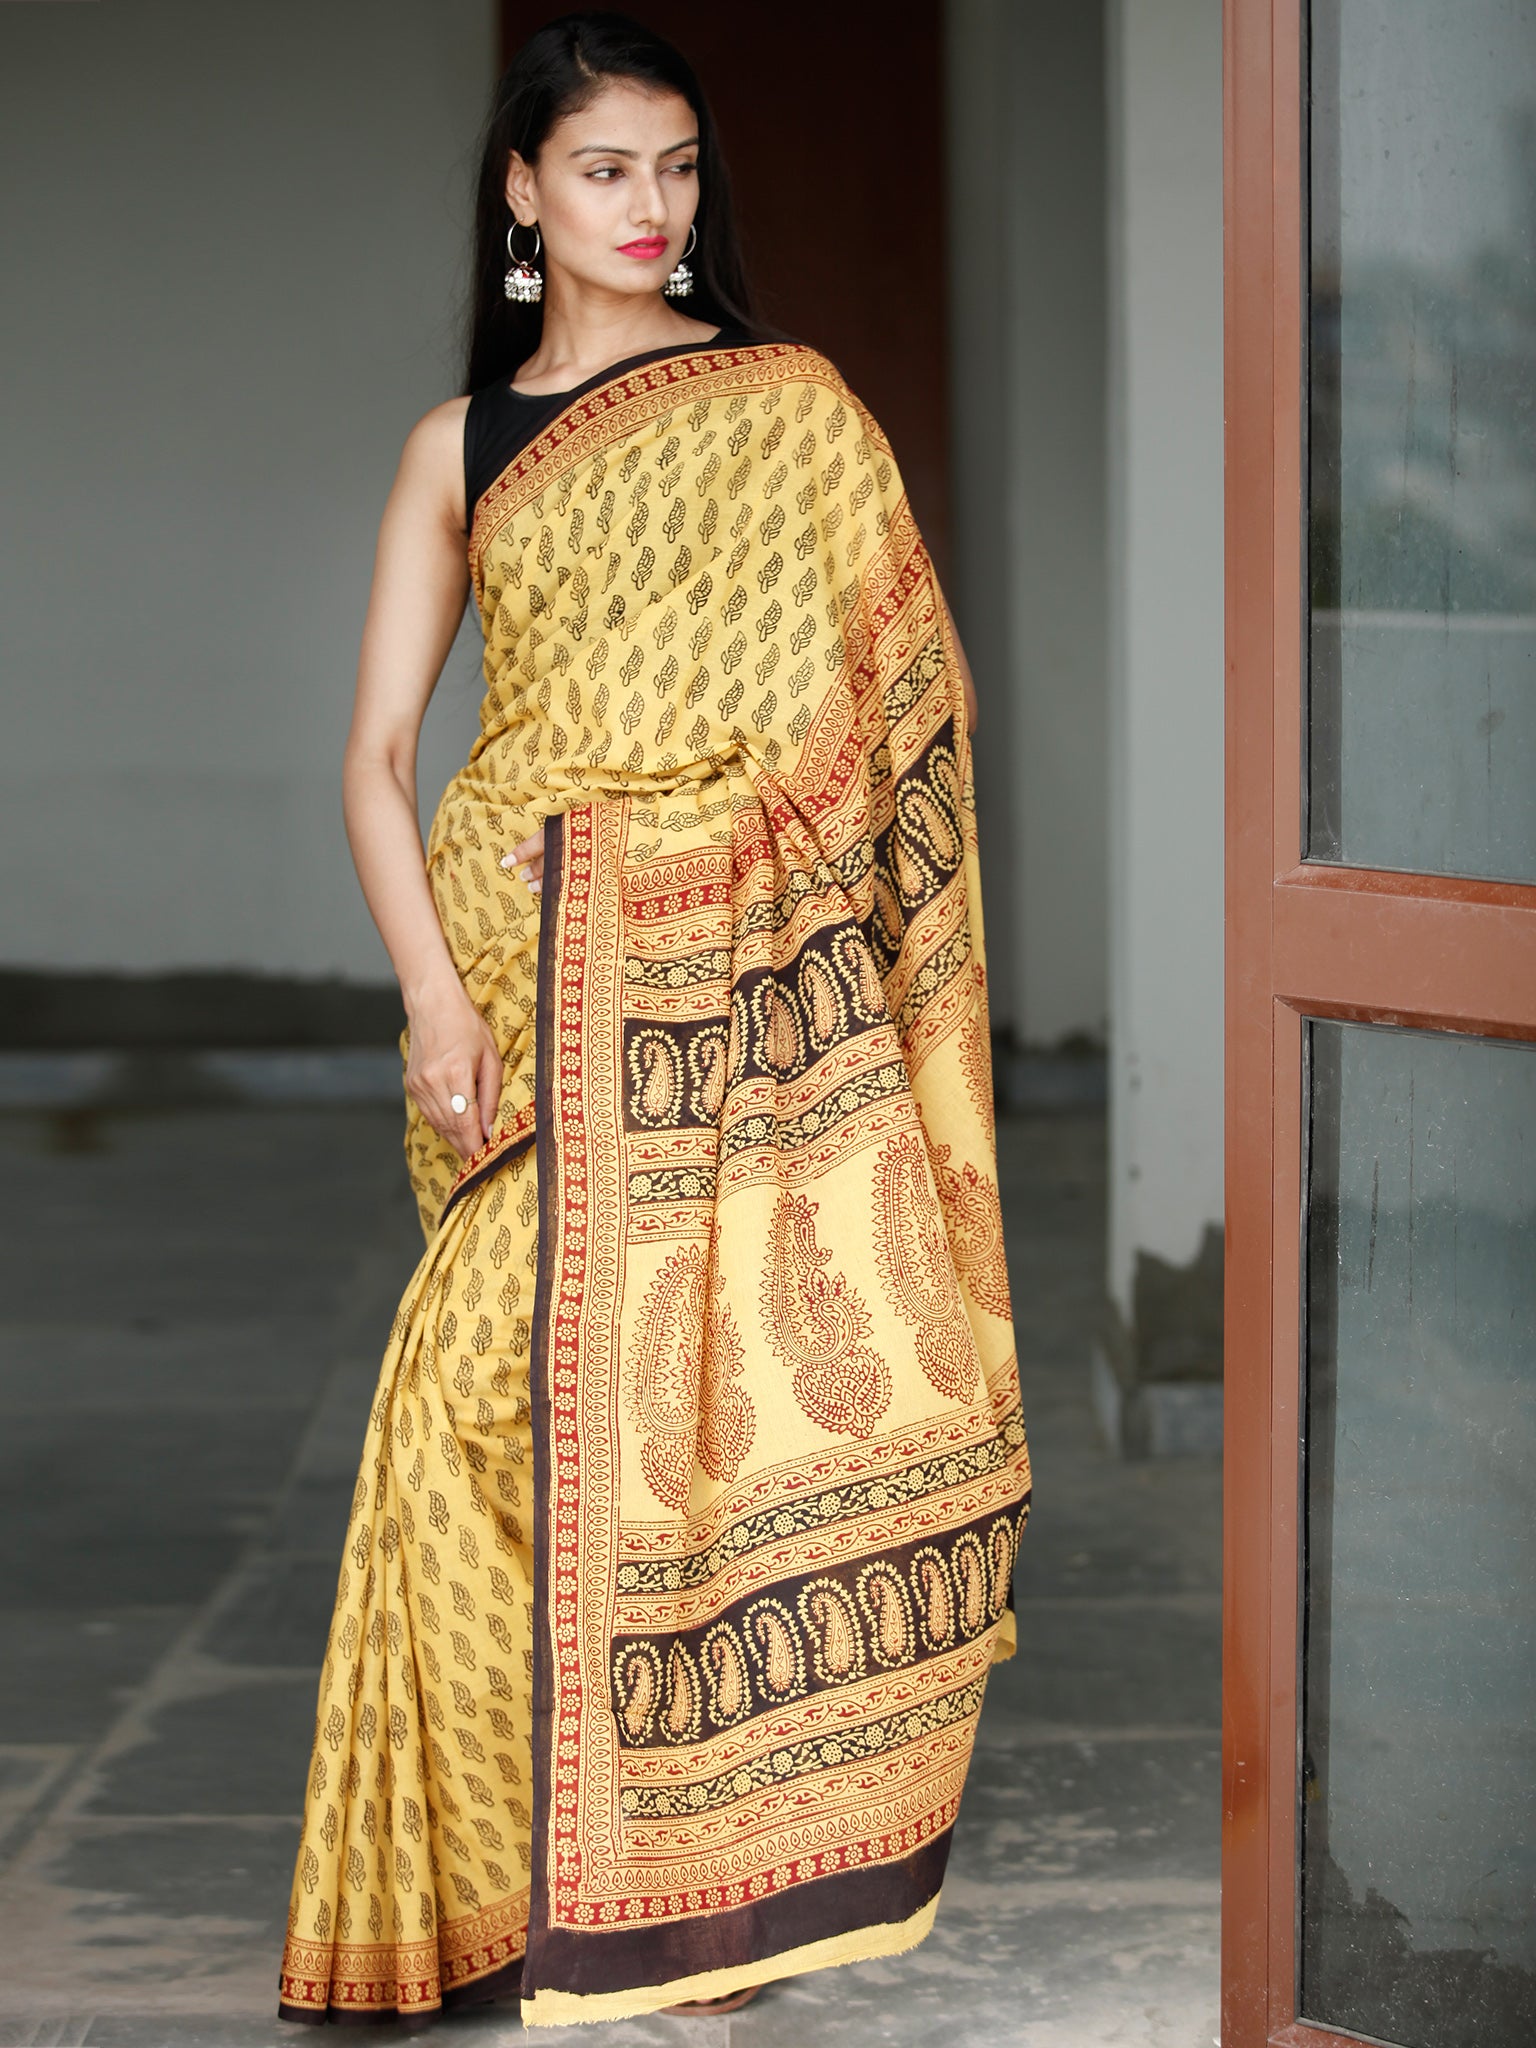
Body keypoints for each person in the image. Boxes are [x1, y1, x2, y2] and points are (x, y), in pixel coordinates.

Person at [277, 10, 1030, 2029]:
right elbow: (373, 753)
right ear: (524, 189)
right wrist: (432, 993)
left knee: (698, 1419)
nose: (650, 204)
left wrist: (704, 857)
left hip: (727, 977)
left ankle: (688, 1902)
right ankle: (515, 1892)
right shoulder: (459, 445)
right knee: (481, 1403)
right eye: (606, 168)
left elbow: (900, 712)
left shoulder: (786, 406)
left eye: (678, 167)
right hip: (521, 976)